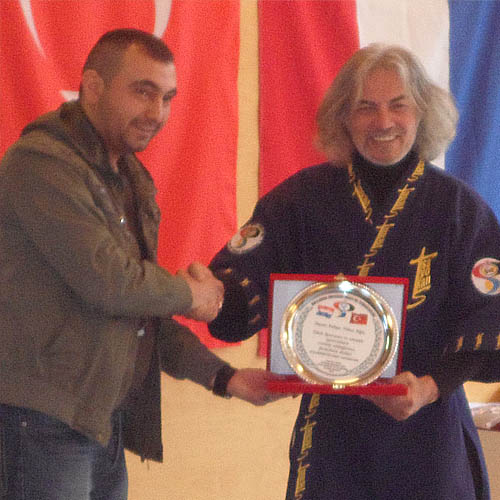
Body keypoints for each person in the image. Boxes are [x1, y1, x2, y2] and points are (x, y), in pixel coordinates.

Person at [0, 28, 283, 500]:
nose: (157, 113)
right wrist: (192, 294)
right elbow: (111, 283)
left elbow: (139, 314)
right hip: (42, 425)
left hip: (101, 423)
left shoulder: (130, 178)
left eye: (167, 98)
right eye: (143, 92)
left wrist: (225, 378)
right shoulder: (41, 164)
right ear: (93, 86)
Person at [208, 43, 500, 500]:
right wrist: (211, 294)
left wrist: (427, 389)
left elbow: (487, 319)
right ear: (343, 117)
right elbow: (241, 283)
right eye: (366, 107)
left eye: (398, 105)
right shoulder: (299, 200)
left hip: (429, 431)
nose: (383, 122)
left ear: (422, 112)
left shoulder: (460, 209)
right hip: (332, 438)